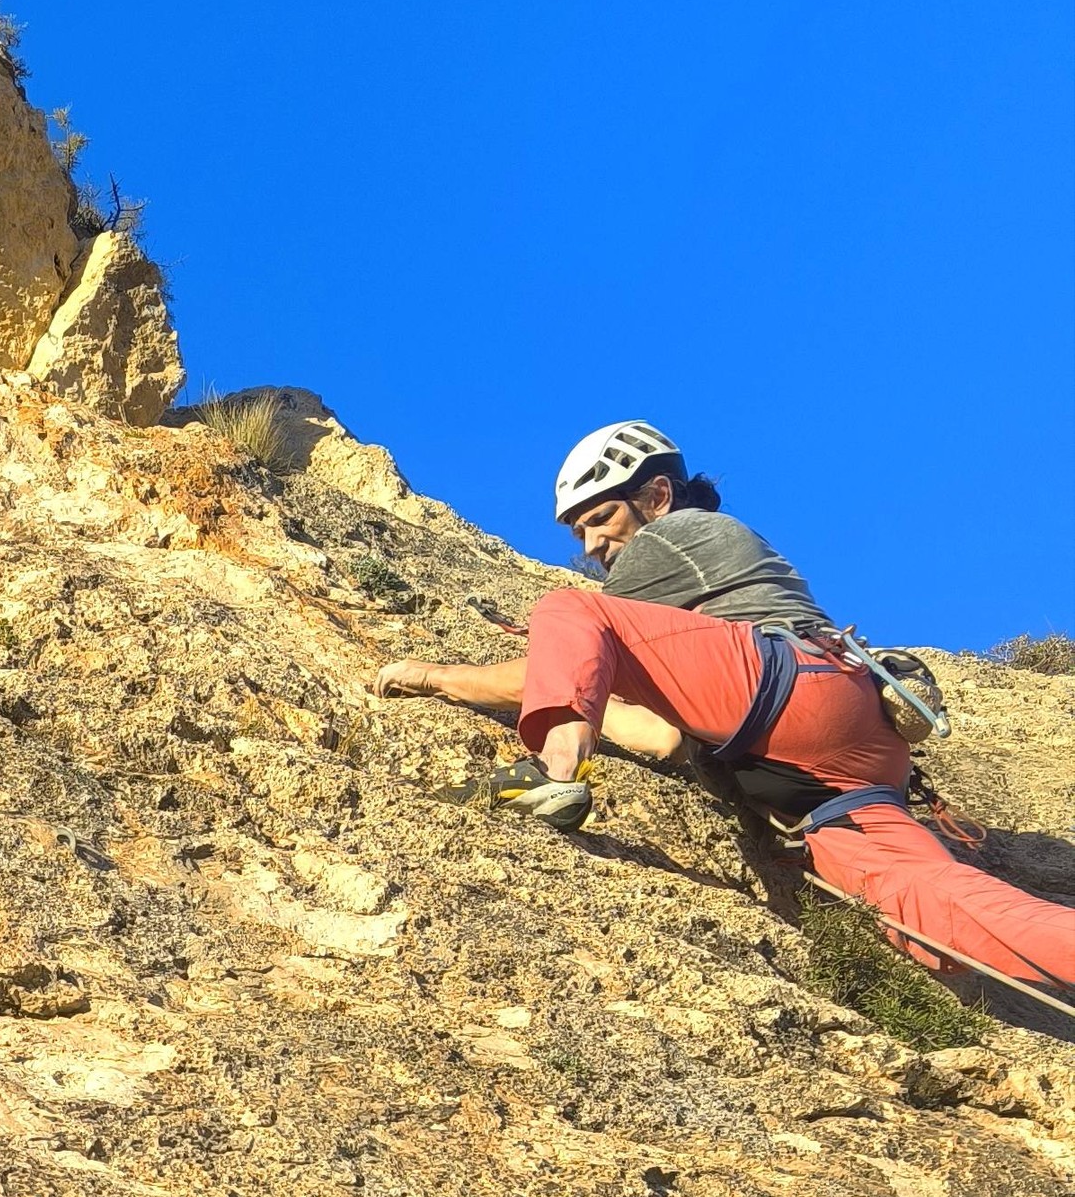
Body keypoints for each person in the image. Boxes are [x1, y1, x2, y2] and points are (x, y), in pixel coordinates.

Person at [373, 419, 1075, 996]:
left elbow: (567, 657)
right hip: (846, 763)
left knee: (567, 610)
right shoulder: (705, 559)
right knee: (936, 903)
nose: (591, 544)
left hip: (785, 690)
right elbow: (657, 735)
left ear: (656, 494)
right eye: (578, 532)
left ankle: (556, 772)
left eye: (600, 517)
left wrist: (435, 676)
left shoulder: (676, 535)